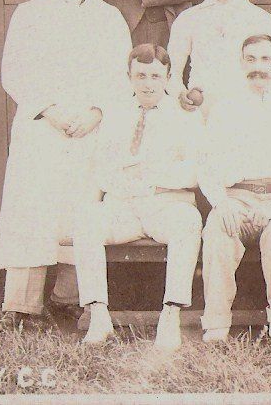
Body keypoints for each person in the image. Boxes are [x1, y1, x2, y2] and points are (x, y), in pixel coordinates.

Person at [0, 0, 133, 332]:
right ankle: (20, 306)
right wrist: (48, 111)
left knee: (79, 210)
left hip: (88, 129)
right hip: (42, 128)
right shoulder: (30, 13)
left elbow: (121, 76)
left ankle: (68, 299)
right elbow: (13, 71)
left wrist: (97, 113)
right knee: (31, 208)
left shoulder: (108, 18)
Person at [72, 44, 203, 351]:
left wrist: (151, 177)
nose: (148, 84)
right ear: (129, 77)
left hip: (166, 206)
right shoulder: (116, 114)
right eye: (140, 76)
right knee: (87, 219)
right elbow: (102, 168)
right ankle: (99, 316)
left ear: (168, 78)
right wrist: (124, 182)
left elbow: (196, 171)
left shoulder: (185, 117)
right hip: (125, 207)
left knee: (188, 221)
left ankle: (170, 316)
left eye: (155, 76)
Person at [199, 34, 271, 344]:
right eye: (251, 59)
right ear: (241, 63)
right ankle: (216, 323)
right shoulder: (223, 110)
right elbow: (206, 164)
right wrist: (221, 202)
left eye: (265, 59)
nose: (258, 67)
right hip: (236, 197)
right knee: (218, 229)